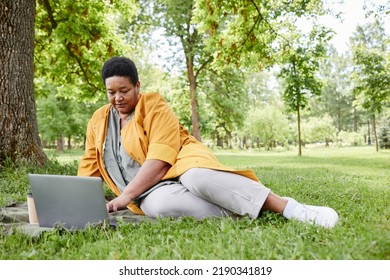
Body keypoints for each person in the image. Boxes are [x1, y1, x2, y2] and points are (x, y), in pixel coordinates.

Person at [78, 56, 339, 228]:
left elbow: (159, 161)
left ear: (137, 86)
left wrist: (125, 196)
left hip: (181, 166)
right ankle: (249, 208)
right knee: (159, 207)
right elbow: (90, 167)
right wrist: (80, 199)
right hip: (149, 192)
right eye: (111, 92)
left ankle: (288, 207)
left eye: (124, 91)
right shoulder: (98, 120)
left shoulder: (153, 105)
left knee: (197, 180)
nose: (118, 98)